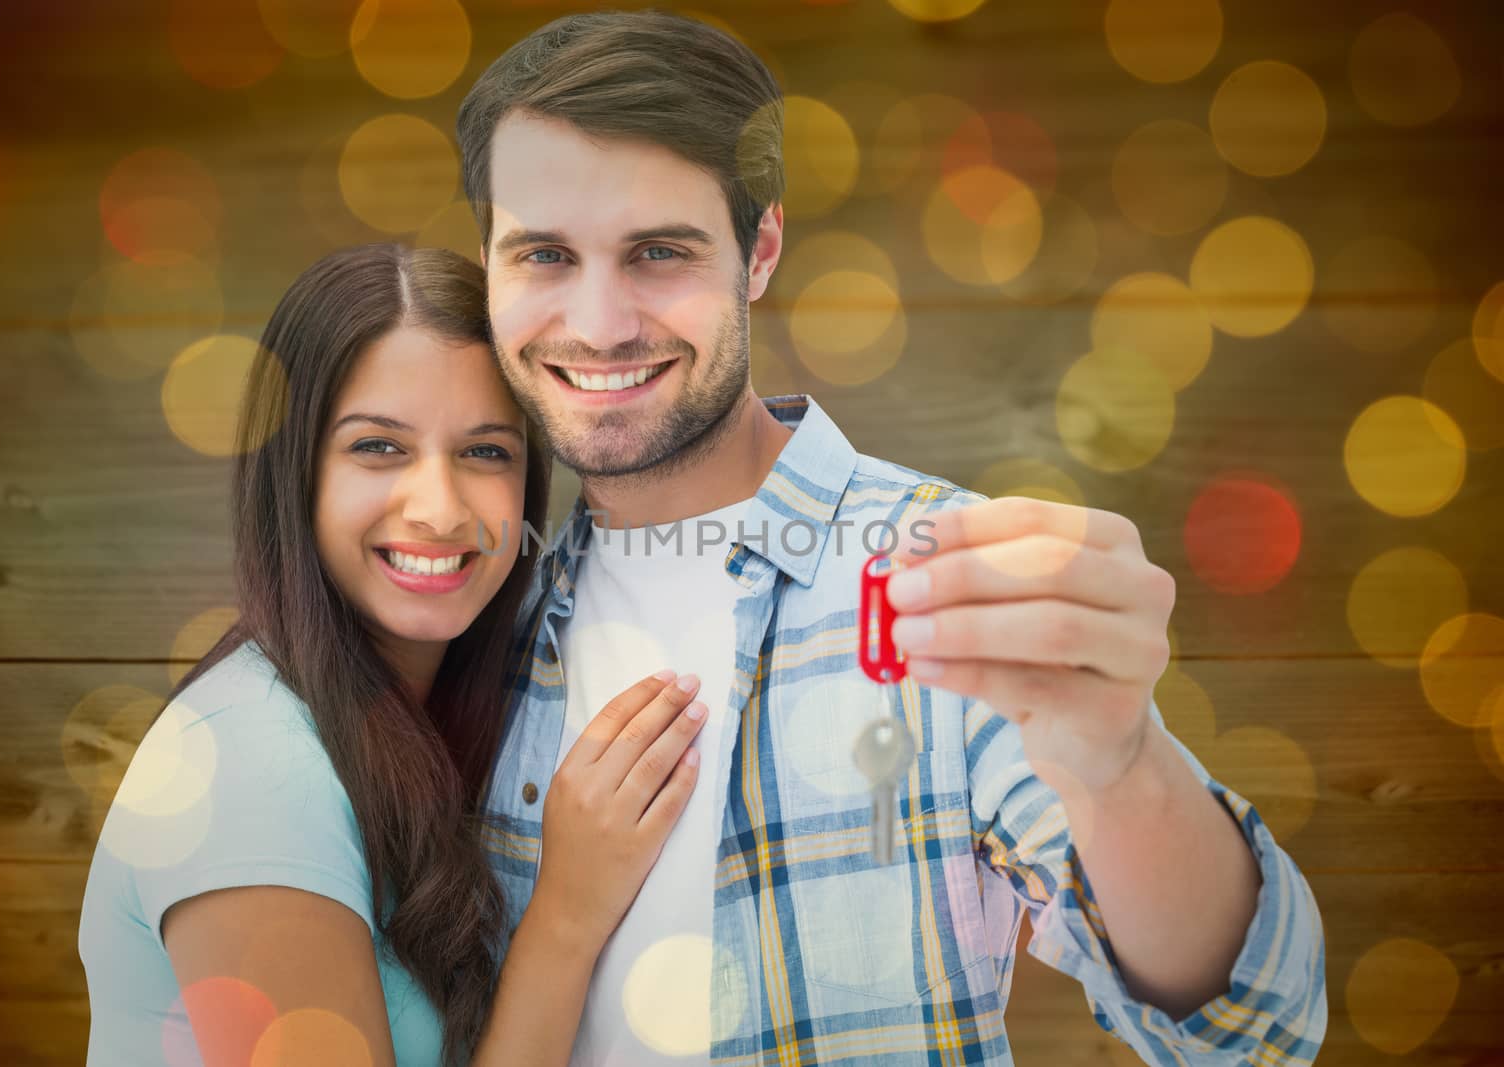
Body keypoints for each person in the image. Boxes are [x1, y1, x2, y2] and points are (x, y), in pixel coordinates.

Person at [456, 10, 1328, 1065]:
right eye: (544, 253)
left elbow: (1252, 1027)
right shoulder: (473, 625)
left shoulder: (941, 572)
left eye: (658, 251)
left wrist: (1121, 762)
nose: (597, 323)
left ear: (759, 249)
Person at [77, 243, 714, 1066]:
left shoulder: (424, 720)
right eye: (378, 447)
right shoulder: (251, 771)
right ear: (295, 470)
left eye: (487, 451)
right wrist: (565, 914)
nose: (441, 510)